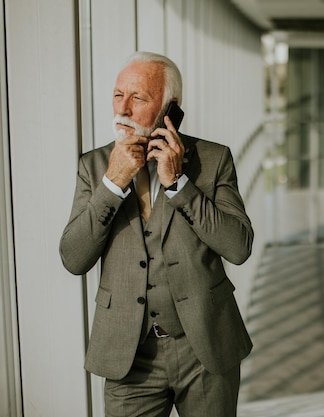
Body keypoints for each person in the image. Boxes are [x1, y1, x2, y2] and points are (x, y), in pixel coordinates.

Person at [60, 51, 254, 417]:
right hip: (128, 357)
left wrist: (179, 184)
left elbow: (239, 246)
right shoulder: (93, 166)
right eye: (118, 95)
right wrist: (112, 183)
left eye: (139, 98)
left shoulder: (212, 160)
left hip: (206, 349)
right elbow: (73, 258)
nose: (124, 109)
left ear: (170, 109)